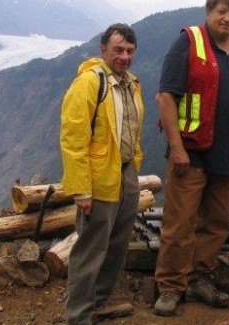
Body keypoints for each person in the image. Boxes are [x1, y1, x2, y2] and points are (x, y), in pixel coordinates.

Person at [153, 0, 229, 316]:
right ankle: (171, 288)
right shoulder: (188, 42)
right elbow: (165, 98)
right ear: (209, 11)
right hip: (191, 152)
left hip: (227, 152)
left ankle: (198, 278)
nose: (227, 18)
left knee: (216, 224)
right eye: (221, 11)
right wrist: (177, 149)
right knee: (180, 224)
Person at [60, 23, 144, 325]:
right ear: (103, 50)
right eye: (118, 50)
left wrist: (133, 166)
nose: (124, 56)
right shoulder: (89, 83)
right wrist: (82, 190)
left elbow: (131, 131)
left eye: (130, 51)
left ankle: (99, 302)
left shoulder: (131, 83)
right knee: (91, 247)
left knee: (118, 243)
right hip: (98, 178)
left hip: (124, 174)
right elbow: (73, 140)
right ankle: (78, 315)